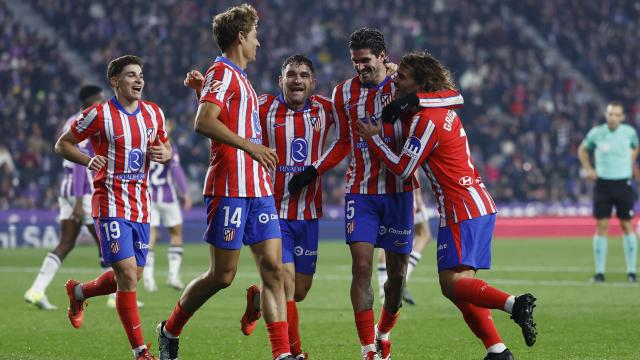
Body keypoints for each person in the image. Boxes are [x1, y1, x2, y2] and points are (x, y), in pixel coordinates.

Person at [357, 51, 537, 360]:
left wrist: (374, 139)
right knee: (458, 286)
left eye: (402, 78)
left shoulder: (427, 120)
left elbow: (403, 168)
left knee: (452, 284)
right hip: (475, 204)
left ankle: (514, 304)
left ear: (421, 83)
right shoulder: (438, 109)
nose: (396, 81)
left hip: (461, 208)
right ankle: (497, 350)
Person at [156, 4, 293, 360]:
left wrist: (201, 91)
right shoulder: (224, 72)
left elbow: (222, 116)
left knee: (274, 270)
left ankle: (281, 354)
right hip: (229, 188)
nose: (259, 44)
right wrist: (251, 146)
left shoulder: (236, 76)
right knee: (222, 276)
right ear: (241, 37)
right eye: (256, 36)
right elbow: (204, 122)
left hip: (258, 189)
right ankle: (170, 328)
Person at [288, 28, 414, 360]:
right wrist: (314, 169)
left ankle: (383, 332)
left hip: (399, 191)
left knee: (397, 278)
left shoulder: (404, 82)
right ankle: (367, 348)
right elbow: (343, 141)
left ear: (383, 56)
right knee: (361, 266)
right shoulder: (344, 93)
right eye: (355, 61)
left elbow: (442, 101)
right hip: (360, 192)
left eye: (366, 60)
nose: (360, 67)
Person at [55, 54, 173, 360]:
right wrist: (87, 159)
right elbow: (63, 144)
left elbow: (165, 146)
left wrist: (165, 153)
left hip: (141, 205)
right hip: (109, 202)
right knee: (129, 276)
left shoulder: (154, 114)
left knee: (129, 275)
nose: (139, 80)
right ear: (115, 81)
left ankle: (78, 292)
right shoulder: (99, 115)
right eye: (131, 75)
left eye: (141, 75)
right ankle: (141, 351)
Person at [232, 54, 343, 360]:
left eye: (303, 75)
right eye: (291, 74)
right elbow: (229, 113)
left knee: (299, 291)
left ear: (312, 83)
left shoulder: (326, 109)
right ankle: (292, 353)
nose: (297, 80)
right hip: (271, 210)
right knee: (285, 281)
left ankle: (258, 300)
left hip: (307, 214)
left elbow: (352, 123)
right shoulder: (263, 106)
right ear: (280, 80)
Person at [24, 85, 105, 310]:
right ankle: (114, 296)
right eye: (98, 99)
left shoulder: (70, 120)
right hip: (83, 192)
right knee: (105, 242)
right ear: (89, 101)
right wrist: (80, 201)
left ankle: (37, 289)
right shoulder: (86, 122)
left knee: (66, 243)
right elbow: (80, 163)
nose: (101, 102)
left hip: (66, 190)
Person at [578, 102, 639, 283]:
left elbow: (636, 146)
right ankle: (599, 273)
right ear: (606, 115)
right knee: (602, 226)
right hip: (603, 184)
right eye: (610, 114)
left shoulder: (629, 133)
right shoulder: (597, 133)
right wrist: (588, 169)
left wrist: (631, 160)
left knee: (627, 225)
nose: (613, 117)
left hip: (623, 183)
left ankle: (631, 271)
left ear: (622, 117)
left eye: (616, 115)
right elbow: (582, 150)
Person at [143, 136, 192, 292]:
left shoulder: (144, 144)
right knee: (176, 233)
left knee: (150, 236)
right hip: (167, 196)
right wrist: (185, 193)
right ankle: (173, 276)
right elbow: (176, 169)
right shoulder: (169, 147)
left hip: (148, 195)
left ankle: (149, 279)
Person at [377, 187, 432, 305]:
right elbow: (412, 169)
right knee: (424, 235)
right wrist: (417, 194)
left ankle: (384, 293)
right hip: (405, 191)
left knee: (387, 239)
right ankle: (399, 283)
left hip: (381, 191)